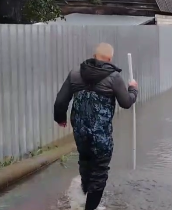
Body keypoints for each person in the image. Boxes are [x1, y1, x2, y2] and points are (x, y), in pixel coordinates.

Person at [53, 43, 138, 210]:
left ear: (94, 55)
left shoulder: (75, 74)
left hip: (80, 132)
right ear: (109, 59)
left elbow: (60, 101)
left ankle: (83, 195)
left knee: (85, 162)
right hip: (101, 136)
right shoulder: (114, 78)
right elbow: (126, 102)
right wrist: (133, 89)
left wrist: (60, 119)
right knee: (99, 173)